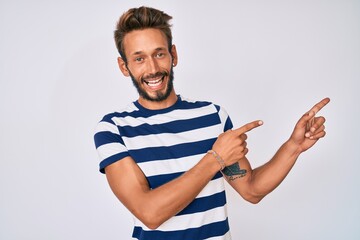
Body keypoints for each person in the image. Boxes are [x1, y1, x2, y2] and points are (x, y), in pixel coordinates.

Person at [94, 6, 330, 240]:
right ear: (124, 66)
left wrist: (293, 147)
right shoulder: (113, 129)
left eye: (159, 54)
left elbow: (251, 190)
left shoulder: (213, 116)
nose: (153, 69)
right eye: (139, 58)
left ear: (173, 55)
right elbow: (150, 214)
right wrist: (215, 158)